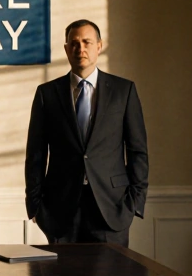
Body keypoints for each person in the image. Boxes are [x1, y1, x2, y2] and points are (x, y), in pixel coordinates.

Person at [24, 20, 148, 244]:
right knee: (63, 269)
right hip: (60, 210)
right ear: (66, 49)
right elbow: (36, 154)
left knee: (111, 269)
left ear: (99, 46)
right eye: (74, 43)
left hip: (112, 208)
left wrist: (135, 202)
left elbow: (137, 150)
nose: (80, 48)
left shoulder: (123, 91)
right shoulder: (47, 94)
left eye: (87, 42)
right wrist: (34, 205)